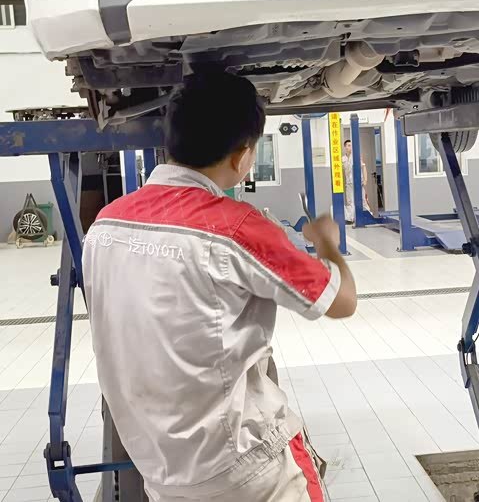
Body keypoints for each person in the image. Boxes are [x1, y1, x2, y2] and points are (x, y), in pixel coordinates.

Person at [82, 72, 357, 502]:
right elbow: (341, 301)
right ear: (243, 157)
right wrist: (328, 245)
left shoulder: (106, 225)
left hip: (160, 470)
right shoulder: (237, 227)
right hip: (243, 469)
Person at [342, 139, 370, 223]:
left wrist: (365, 180)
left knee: (362, 200)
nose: (350, 147)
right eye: (348, 145)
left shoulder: (357, 157)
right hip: (349, 184)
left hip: (358, 183)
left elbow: (363, 167)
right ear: (345, 147)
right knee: (350, 201)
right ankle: (351, 219)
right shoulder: (342, 159)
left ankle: (368, 216)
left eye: (351, 145)